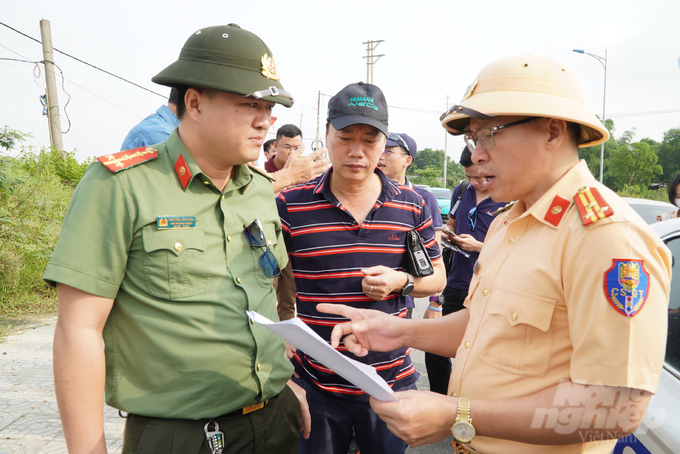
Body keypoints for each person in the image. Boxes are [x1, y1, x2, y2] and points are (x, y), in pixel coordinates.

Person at [320, 54, 671, 454]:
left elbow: (616, 408)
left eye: (488, 135)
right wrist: (401, 332)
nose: (476, 155)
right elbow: (482, 327)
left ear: (553, 131)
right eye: (473, 139)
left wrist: (458, 414)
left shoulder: (606, 237)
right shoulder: (510, 220)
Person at [44, 24, 310, 454]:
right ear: (194, 103)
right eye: (249, 104)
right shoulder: (122, 185)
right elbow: (78, 329)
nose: (265, 120)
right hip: (182, 436)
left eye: (270, 106)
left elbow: (264, 301)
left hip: (275, 421)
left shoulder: (260, 189)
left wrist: (285, 384)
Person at [276, 82, 446, 454]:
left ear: (384, 144)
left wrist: (400, 281)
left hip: (390, 383)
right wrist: (280, 344)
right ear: (326, 135)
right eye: (345, 137)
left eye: (370, 140)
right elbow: (264, 281)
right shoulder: (290, 205)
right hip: (315, 384)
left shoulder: (412, 205)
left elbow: (436, 276)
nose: (357, 151)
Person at [424, 147, 506, 394]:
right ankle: (442, 401)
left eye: (480, 177)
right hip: (455, 282)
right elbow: (451, 224)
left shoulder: (508, 197)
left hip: (488, 288)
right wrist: (448, 235)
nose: (476, 182)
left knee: (478, 353)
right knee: (435, 347)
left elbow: (520, 248)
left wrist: (479, 246)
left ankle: (472, 409)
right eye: (470, 176)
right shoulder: (462, 191)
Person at [378, 131, 443, 319]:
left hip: (402, 297)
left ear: (407, 160)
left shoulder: (424, 199)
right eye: (380, 149)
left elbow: (434, 255)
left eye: (389, 151)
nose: (381, 155)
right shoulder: (366, 193)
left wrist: (435, 303)